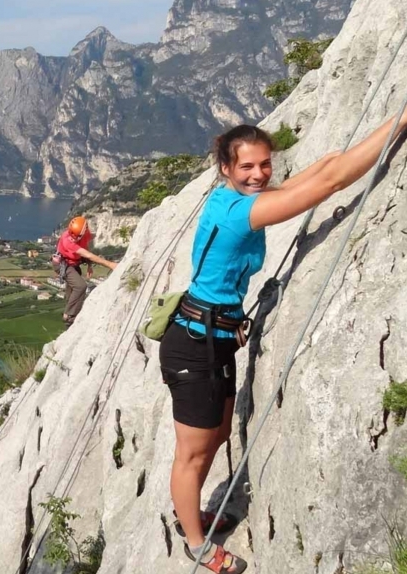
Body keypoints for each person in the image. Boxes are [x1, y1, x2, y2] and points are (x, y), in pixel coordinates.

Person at [159, 110, 407, 573]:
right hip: (194, 345)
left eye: (265, 164)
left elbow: (306, 181)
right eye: (247, 167)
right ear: (226, 169)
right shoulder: (240, 214)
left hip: (213, 340)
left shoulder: (229, 197)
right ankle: (195, 541)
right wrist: (402, 120)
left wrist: (329, 159)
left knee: (213, 440)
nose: (258, 174)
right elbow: (330, 184)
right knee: (192, 453)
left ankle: (191, 513)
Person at [56, 216, 118, 327]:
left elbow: (86, 248)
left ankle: (71, 318)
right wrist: (110, 264)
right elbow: (88, 254)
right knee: (80, 286)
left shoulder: (84, 234)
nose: (74, 238)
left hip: (73, 263)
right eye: (73, 235)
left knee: (73, 292)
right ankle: (68, 315)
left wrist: (89, 265)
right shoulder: (67, 240)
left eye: (77, 236)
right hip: (63, 264)